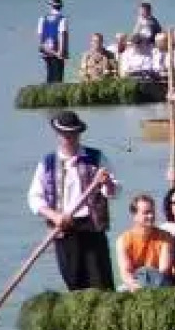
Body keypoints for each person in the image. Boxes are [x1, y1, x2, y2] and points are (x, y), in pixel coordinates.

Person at [27, 110, 117, 290]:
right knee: (74, 282)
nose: (70, 138)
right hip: (63, 229)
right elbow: (34, 198)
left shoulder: (96, 158)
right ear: (58, 135)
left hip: (92, 226)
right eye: (65, 135)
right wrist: (53, 215)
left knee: (101, 281)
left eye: (73, 134)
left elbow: (114, 191)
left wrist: (106, 182)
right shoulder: (47, 163)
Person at [115, 194, 173, 289]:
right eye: (146, 213)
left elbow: (164, 270)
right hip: (135, 283)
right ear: (134, 215)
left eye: (152, 212)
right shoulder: (123, 240)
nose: (151, 216)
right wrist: (135, 286)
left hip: (160, 282)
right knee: (121, 290)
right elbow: (126, 272)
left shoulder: (166, 237)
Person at [36, 0, 69, 83]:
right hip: (57, 51)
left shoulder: (42, 19)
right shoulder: (62, 19)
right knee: (58, 76)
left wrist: (41, 49)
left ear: (51, 6)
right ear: (60, 7)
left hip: (46, 51)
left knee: (50, 73)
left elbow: (40, 35)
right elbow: (62, 35)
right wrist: (61, 52)